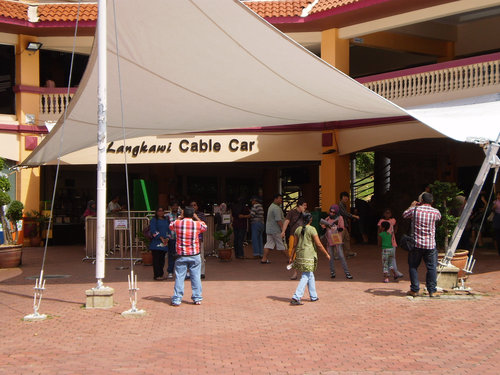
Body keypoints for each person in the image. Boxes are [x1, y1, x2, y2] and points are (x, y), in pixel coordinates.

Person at [402, 193, 441, 297]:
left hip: (416, 244)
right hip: (430, 245)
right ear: (431, 202)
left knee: (413, 266)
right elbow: (438, 219)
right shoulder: (436, 212)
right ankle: (432, 290)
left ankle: (414, 289)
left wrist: (412, 206)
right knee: (432, 267)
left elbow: (404, 215)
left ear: (421, 200)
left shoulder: (415, 210)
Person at [289, 212, 330, 305]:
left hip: (300, 255)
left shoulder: (297, 230)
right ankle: (296, 296)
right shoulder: (312, 229)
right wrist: (326, 254)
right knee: (306, 275)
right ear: (310, 220)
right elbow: (319, 244)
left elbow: (294, 245)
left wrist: (291, 257)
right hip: (309, 255)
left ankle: (313, 296)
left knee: (310, 274)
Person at [169, 206, 207, 306]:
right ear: (192, 214)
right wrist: (196, 217)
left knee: (179, 277)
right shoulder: (197, 224)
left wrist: (180, 217)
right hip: (194, 254)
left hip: (181, 254)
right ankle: (197, 298)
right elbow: (205, 227)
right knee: (196, 277)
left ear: (183, 214)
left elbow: (171, 225)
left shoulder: (178, 223)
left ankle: (177, 299)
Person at [321, 204, 353, 279]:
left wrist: (335, 227)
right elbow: (323, 226)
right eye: (330, 211)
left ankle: (347, 273)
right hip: (329, 239)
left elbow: (341, 228)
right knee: (331, 257)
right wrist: (325, 226)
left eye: (333, 212)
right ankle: (332, 272)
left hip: (336, 238)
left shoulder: (340, 218)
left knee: (341, 256)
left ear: (336, 212)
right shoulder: (327, 218)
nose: (331, 213)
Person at [281, 197, 307, 280]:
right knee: (292, 253)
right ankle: (295, 273)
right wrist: (283, 231)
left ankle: (304, 272)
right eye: (304, 205)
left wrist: (304, 214)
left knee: (303, 254)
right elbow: (286, 221)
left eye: (306, 205)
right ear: (299, 206)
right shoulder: (292, 212)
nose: (305, 207)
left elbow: (308, 223)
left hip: (302, 236)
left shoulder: (306, 214)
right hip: (293, 235)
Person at [377, 208, 404, 280]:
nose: (387, 214)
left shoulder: (393, 220)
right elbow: (378, 231)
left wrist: (395, 230)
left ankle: (390, 274)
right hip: (389, 244)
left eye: (389, 213)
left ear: (391, 214)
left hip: (391, 244)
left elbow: (396, 225)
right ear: (383, 214)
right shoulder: (381, 221)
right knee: (390, 260)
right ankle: (394, 272)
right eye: (386, 213)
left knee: (389, 260)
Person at [261, 194, 286, 264]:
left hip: (269, 229)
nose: (281, 200)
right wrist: (282, 228)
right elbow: (278, 220)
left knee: (268, 244)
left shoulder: (271, 206)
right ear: (275, 199)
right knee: (281, 245)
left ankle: (264, 259)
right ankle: (290, 259)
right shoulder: (276, 208)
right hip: (276, 230)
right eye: (280, 198)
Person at [149, 207, 171, 280]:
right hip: (156, 242)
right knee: (156, 259)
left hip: (164, 243)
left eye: (162, 211)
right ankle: (157, 275)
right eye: (159, 211)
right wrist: (160, 237)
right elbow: (153, 230)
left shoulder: (166, 220)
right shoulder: (154, 220)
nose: (161, 212)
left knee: (162, 260)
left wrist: (167, 238)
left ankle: (161, 274)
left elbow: (169, 230)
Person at [338, 192, 359, 257]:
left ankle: (348, 252)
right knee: (339, 240)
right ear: (341, 197)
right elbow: (345, 213)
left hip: (344, 224)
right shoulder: (340, 205)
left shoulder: (344, 205)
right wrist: (354, 216)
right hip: (340, 225)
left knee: (346, 238)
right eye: (344, 197)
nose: (346, 198)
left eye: (347, 197)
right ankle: (337, 254)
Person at [190, 200, 207, 278]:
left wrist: (196, 217)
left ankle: (201, 272)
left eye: (195, 205)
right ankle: (191, 272)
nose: (193, 207)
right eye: (192, 205)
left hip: (199, 238)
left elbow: (204, 225)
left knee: (201, 256)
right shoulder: (187, 215)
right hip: (189, 239)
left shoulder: (201, 215)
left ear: (197, 206)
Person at [165, 201, 181, 279]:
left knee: (180, 256)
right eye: (173, 206)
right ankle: (170, 271)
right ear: (171, 207)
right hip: (171, 238)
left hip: (180, 239)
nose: (175, 207)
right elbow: (166, 227)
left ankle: (179, 271)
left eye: (176, 206)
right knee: (171, 255)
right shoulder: (167, 216)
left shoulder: (181, 216)